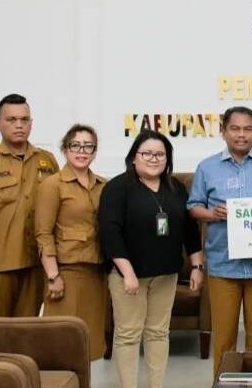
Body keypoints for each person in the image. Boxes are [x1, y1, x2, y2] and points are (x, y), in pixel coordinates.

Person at [187, 106, 252, 376]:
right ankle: (225, 384)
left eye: (248, 129)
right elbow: (193, 207)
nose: (242, 135)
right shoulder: (207, 167)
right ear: (223, 131)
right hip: (223, 264)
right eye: (235, 128)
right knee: (224, 339)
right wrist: (212, 214)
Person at [99, 130, 203, 388]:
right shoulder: (117, 188)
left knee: (158, 333)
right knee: (128, 335)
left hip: (166, 274)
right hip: (129, 277)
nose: (154, 159)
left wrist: (197, 266)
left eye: (160, 154)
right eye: (147, 153)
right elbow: (109, 232)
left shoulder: (175, 187)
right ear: (134, 156)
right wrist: (128, 272)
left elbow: (190, 231)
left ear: (167, 159)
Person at [0, 93, 59, 317]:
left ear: (31, 123)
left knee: (28, 331)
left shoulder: (47, 161)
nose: (19, 125)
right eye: (11, 120)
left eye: (24, 120)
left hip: (36, 264)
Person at [34, 124, 108, 360]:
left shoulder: (103, 185)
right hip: (66, 273)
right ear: (65, 150)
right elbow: (43, 233)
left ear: (95, 152)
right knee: (61, 345)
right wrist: (53, 276)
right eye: (75, 145)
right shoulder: (52, 185)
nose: (82, 151)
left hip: (96, 273)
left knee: (91, 345)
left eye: (88, 146)